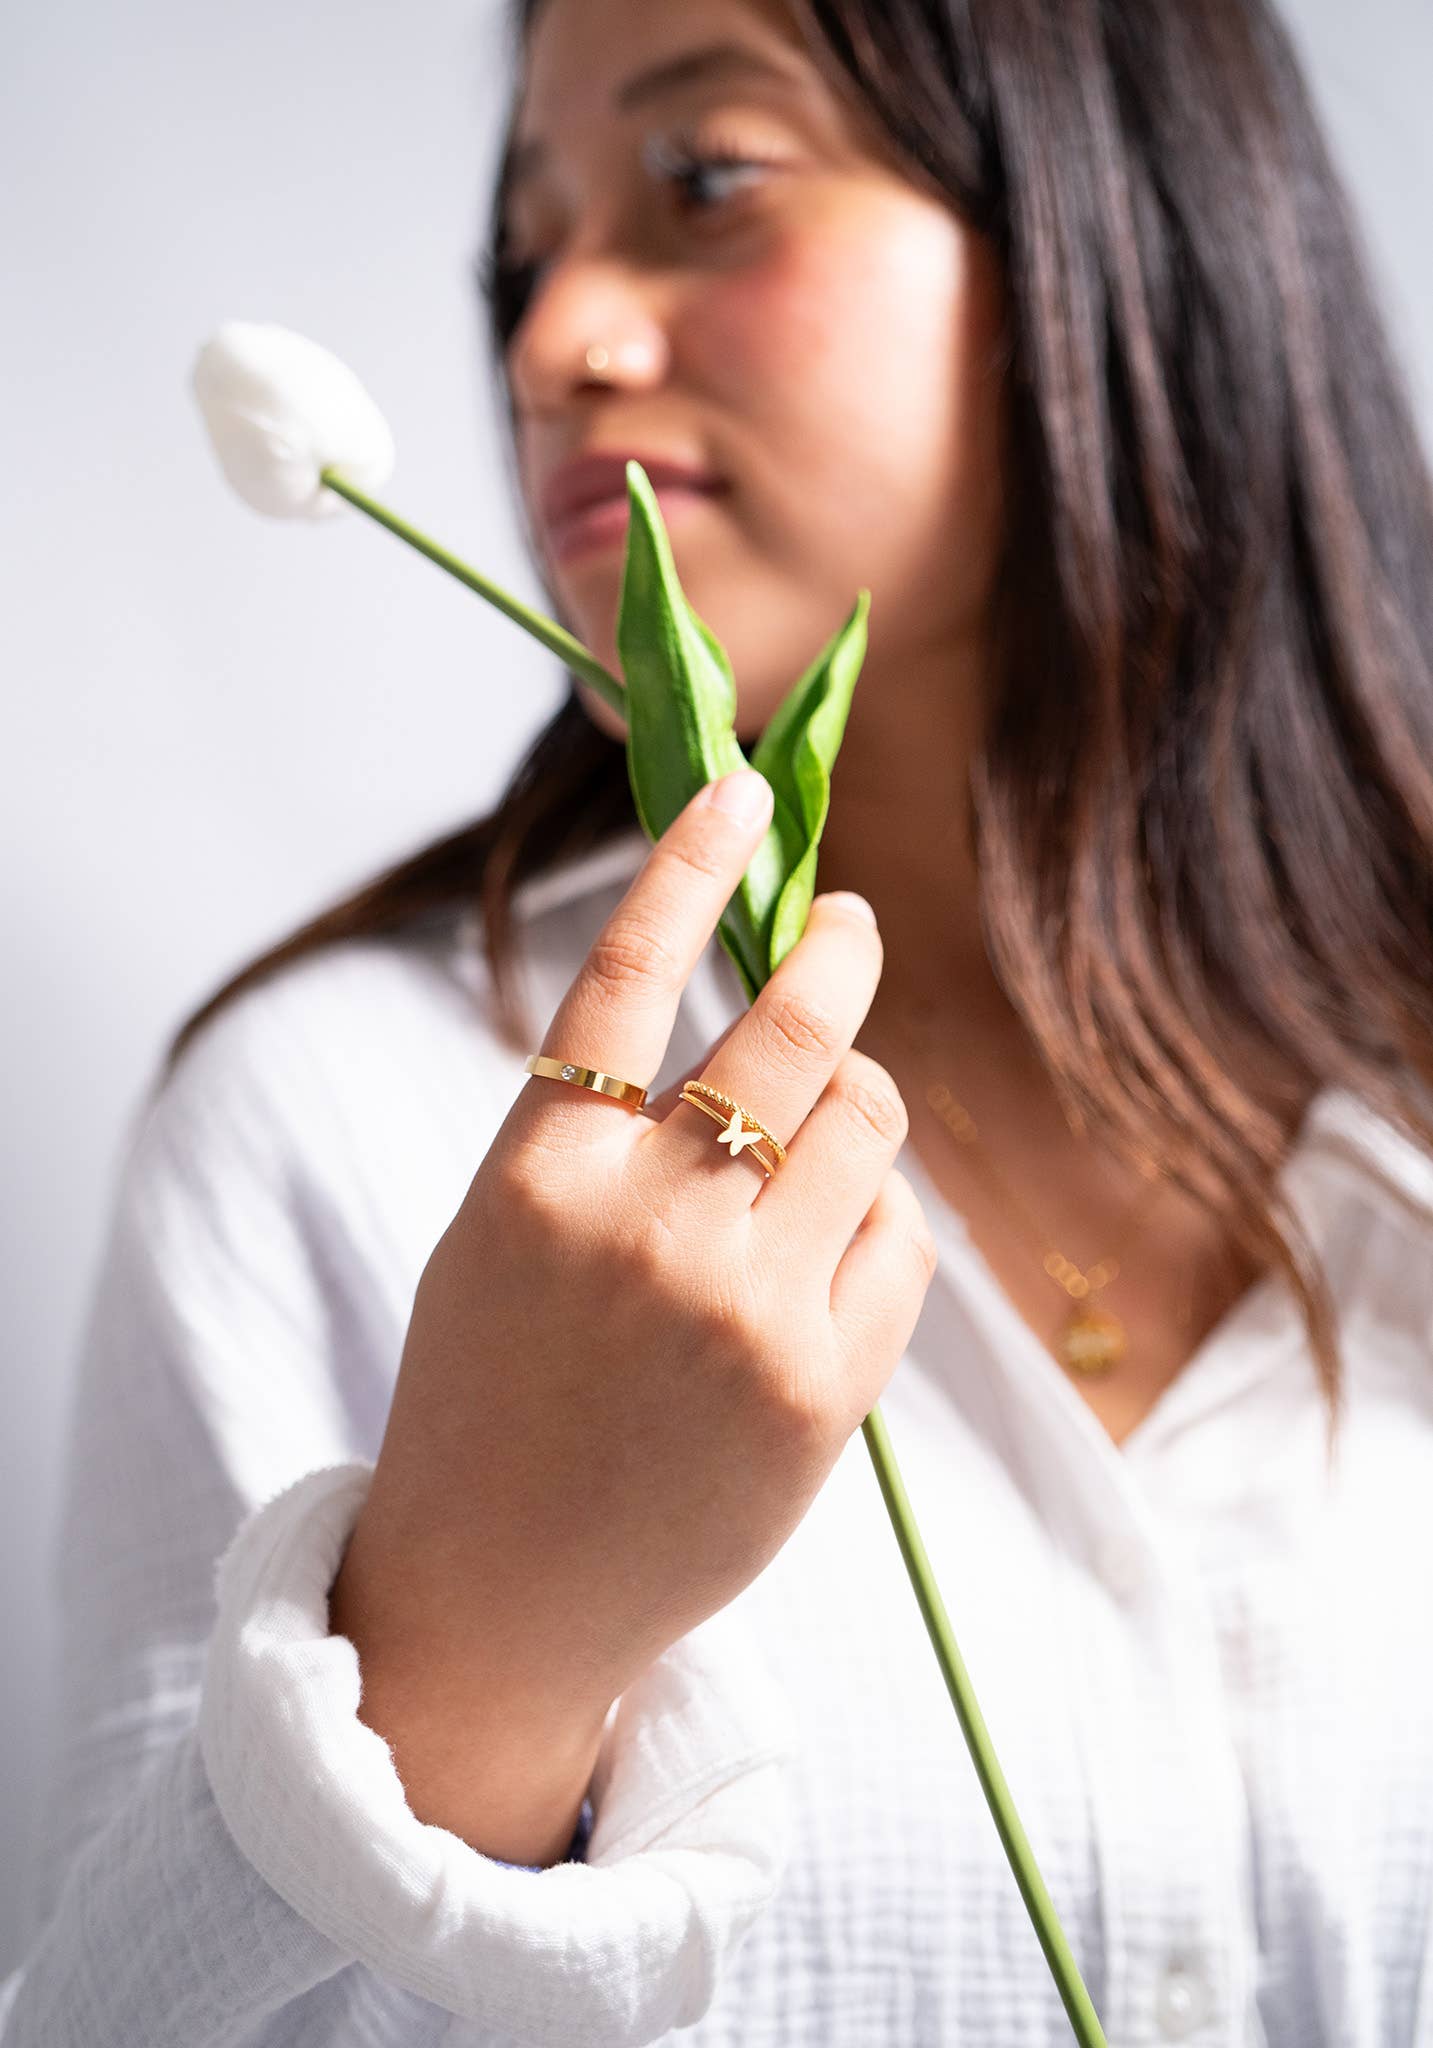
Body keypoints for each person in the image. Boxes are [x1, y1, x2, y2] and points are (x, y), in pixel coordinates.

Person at [8, 0, 1433, 2039]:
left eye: (707, 180)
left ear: (1120, 225)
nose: (554, 339)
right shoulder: (334, 1125)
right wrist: (482, 1638)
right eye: (520, 255)